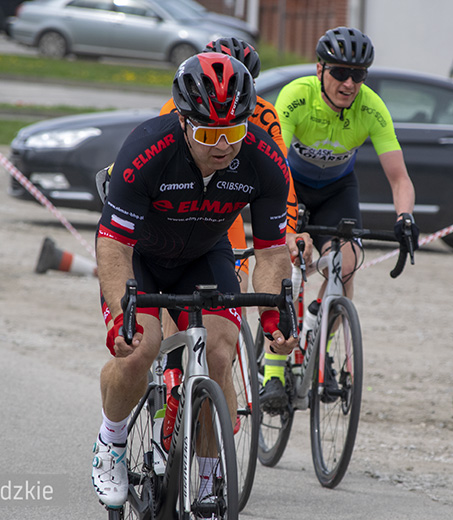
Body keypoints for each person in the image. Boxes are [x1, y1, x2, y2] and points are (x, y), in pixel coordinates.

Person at [91, 52, 299, 508]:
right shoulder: (146, 149)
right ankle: (112, 440)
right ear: (183, 123)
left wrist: (273, 317)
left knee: (221, 354)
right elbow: (113, 245)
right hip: (139, 256)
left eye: (234, 132)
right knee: (139, 351)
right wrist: (118, 316)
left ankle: (205, 484)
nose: (223, 146)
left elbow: (271, 251)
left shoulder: (263, 158)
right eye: (208, 134)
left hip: (205, 254)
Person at [262, 26, 420, 406]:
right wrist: (287, 225)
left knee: (344, 265)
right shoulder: (296, 97)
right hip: (291, 186)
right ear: (320, 70)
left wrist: (406, 219)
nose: (349, 83)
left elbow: (400, 178)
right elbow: (275, 166)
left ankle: (321, 343)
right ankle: (272, 369)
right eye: (340, 73)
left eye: (359, 75)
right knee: (286, 264)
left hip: (337, 191)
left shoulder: (371, 108)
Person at [158, 37, 313, 414]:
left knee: (235, 288)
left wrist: (288, 230)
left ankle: (219, 383)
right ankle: (169, 371)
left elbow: (280, 181)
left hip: (224, 211)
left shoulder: (263, 115)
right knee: (165, 299)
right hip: (177, 210)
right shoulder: (175, 108)